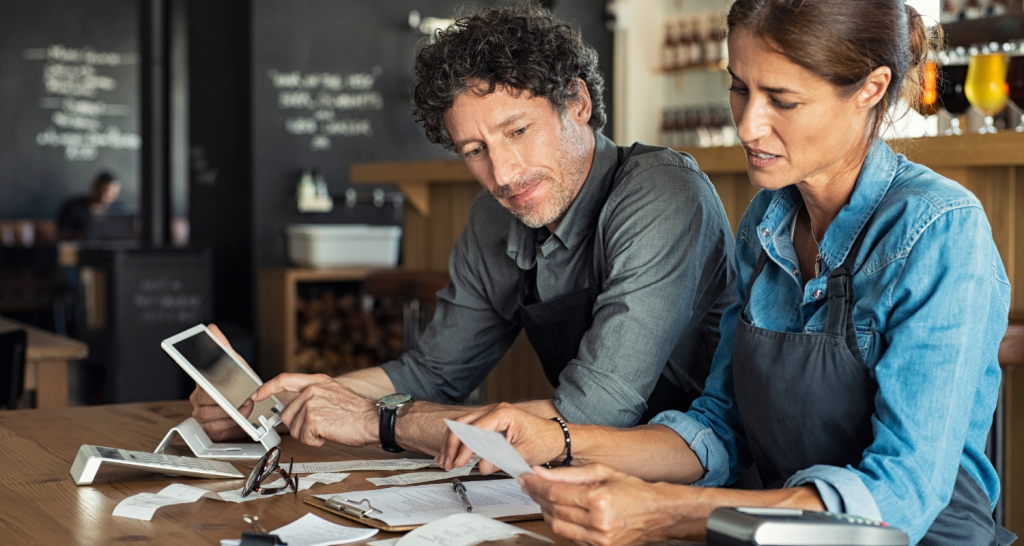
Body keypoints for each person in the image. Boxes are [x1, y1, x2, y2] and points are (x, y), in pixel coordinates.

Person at [438, 1, 1015, 545]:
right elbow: (720, 425)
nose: (747, 126)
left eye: (782, 100)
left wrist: (668, 511)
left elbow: (903, 494)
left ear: (871, 88)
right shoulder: (768, 220)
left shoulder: (939, 230)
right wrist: (560, 442)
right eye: (740, 88)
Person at [190, 5, 736, 457]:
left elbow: (590, 415)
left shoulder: (662, 194)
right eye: (475, 151)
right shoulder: (494, 217)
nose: (503, 174)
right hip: (586, 482)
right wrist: (279, 406)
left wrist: (379, 422)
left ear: (578, 103)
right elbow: (432, 372)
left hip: (702, 479)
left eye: (518, 131)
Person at [56, 171, 122, 239]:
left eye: (112, 195)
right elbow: (60, 234)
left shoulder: (120, 209)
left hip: (113, 248)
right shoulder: (73, 207)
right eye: (103, 193)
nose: (106, 199)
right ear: (95, 186)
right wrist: (86, 234)